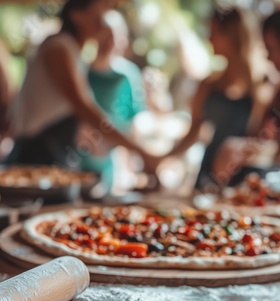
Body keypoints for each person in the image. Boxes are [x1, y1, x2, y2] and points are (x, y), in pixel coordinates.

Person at [6, 0, 157, 174]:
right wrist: (139, 152)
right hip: (36, 157)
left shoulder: (73, 51)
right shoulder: (59, 47)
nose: (103, 20)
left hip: (50, 155)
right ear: (76, 16)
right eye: (99, 14)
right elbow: (85, 108)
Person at [164, 7, 264, 190]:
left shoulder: (260, 88)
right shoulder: (207, 85)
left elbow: (259, 139)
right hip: (207, 179)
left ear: (231, 35)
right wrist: (165, 159)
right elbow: (193, 133)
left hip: (243, 182)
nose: (209, 39)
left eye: (213, 32)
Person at [213, 9, 280, 186]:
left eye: (271, 48)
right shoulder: (276, 91)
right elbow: (265, 139)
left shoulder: (262, 85)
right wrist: (243, 149)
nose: (268, 56)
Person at [78, 19, 146, 193]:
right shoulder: (80, 70)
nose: (109, 42)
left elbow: (133, 119)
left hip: (110, 158)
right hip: (78, 155)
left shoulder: (128, 75)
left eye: (114, 36)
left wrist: (132, 161)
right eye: (105, 35)